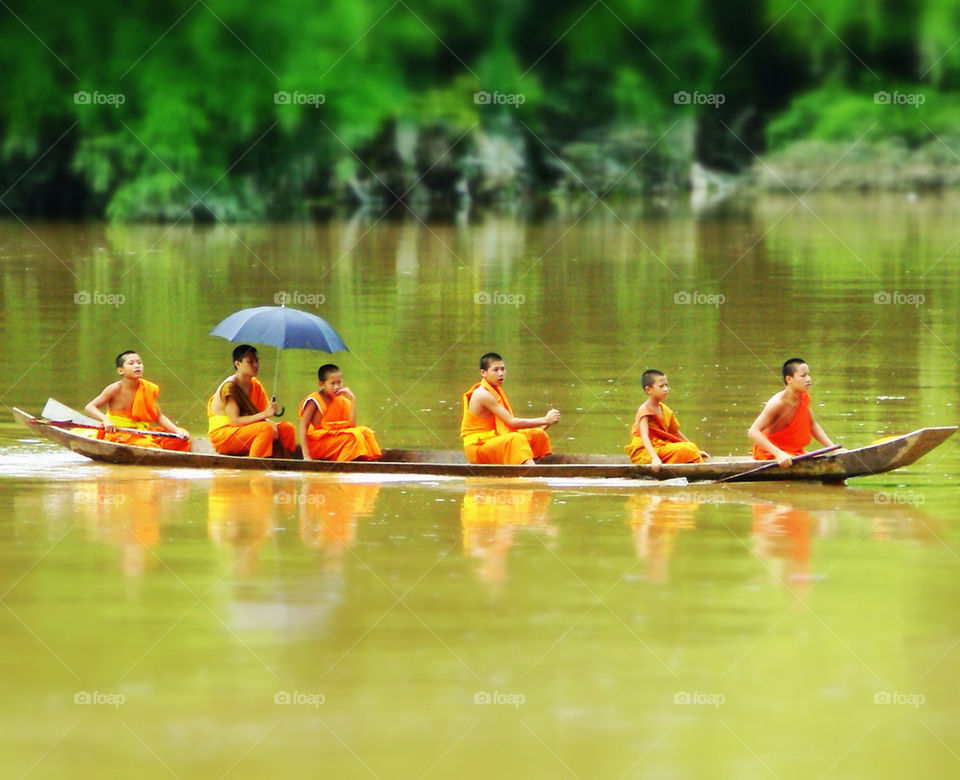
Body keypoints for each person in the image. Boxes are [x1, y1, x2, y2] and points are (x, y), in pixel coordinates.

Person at [460, 352, 560, 465]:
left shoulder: (495, 389)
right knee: (516, 439)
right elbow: (512, 422)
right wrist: (545, 420)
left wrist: (544, 423)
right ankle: (533, 473)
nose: (501, 373)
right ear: (483, 373)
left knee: (537, 435)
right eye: (495, 370)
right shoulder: (483, 394)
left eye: (503, 369)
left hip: (492, 440)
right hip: (478, 449)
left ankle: (534, 466)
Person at [85, 350, 190, 451]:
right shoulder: (115, 388)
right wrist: (106, 420)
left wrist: (177, 431)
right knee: (149, 447)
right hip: (121, 433)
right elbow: (90, 407)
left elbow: (159, 417)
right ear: (120, 370)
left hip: (143, 432)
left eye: (139, 363)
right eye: (131, 363)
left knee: (182, 439)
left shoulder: (147, 388)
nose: (137, 366)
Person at [207, 344, 297, 458]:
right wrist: (266, 416)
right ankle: (256, 465)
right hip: (224, 436)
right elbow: (235, 421)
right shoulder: (230, 387)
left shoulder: (254, 384)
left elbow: (258, 416)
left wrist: (269, 419)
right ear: (238, 364)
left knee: (287, 428)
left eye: (257, 361)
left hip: (245, 430)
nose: (255, 365)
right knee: (266, 429)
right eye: (250, 362)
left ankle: (284, 463)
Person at [748, 357, 837, 466]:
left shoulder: (804, 396)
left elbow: (812, 424)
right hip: (770, 454)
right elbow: (753, 431)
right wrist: (779, 454)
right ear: (789, 379)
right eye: (803, 376)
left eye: (808, 375)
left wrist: (834, 449)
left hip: (793, 453)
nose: (808, 379)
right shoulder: (777, 403)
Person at [624, 369, 706, 471]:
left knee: (690, 447)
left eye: (666, 385)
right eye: (661, 386)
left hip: (661, 447)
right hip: (646, 452)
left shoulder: (664, 409)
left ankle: (692, 458)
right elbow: (644, 435)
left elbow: (675, 432)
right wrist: (654, 458)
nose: (666, 389)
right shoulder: (644, 410)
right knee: (688, 450)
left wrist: (696, 450)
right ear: (648, 390)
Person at [298, 364, 382, 461]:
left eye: (339, 382)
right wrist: (306, 456)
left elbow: (351, 425)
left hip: (333, 440)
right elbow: (303, 427)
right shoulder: (314, 400)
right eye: (332, 383)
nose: (337, 387)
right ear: (321, 384)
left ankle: (363, 461)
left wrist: (352, 400)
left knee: (365, 432)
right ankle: (341, 465)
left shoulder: (342, 400)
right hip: (316, 445)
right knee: (352, 437)